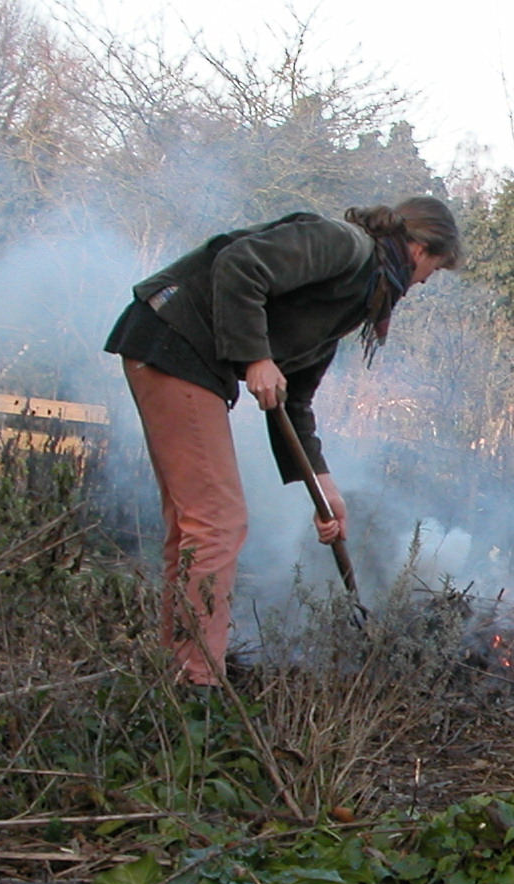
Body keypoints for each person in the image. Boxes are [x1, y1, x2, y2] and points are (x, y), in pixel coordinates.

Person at [104, 195, 460, 684]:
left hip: (176, 350)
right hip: (173, 340)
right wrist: (254, 356)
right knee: (217, 524)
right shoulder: (343, 246)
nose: (421, 284)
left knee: (194, 528)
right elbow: (240, 265)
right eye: (434, 270)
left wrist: (323, 486)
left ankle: (174, 667)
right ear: (420, 248)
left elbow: (293, 401)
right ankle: (196, 682)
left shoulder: (353, 298)